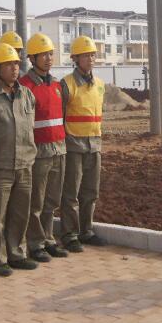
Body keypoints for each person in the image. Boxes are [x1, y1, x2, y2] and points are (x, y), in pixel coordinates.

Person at [0, 43, 38, 276]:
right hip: (0, 166)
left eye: (16, 63)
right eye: (8, 65)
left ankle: (17, 253)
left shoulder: (26, 94)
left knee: (20, 213)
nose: (14, 68)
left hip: (24, 164)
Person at [20, 33, 69, 261]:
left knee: (52, 200)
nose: (49, 58)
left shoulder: (57, 85)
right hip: (39, 153)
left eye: (50, 54)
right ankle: (36, 243)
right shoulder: (25, 87)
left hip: (59, 149)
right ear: (32, 58)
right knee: (36, 202)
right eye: (43, 55)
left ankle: (49, 239)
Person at [60, 35, 107, 252]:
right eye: (85, 55)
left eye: (92, 55)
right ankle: (70, 235)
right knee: (71, 194)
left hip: (94, 146)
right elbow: (60, 117)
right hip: (73, 146)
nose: (90, 59)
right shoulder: (67, 85)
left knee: (90, 192)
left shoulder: (100, 85)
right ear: (75, 59)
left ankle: (86, 231)